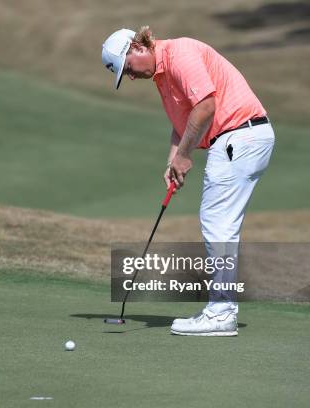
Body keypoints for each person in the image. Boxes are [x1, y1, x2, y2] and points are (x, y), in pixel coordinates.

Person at [101, 26, 275, 336]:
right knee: (219, 223)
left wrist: (184, 155)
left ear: (138, 48)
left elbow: (206, 106)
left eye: (127, 68)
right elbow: (183, 123)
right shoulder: (162, 75)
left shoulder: (180, 54)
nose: (130, 77)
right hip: (239, 138)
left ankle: (221, 312)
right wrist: (174, 159)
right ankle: (222, 309)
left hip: (239, 135)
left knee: (218, 223)